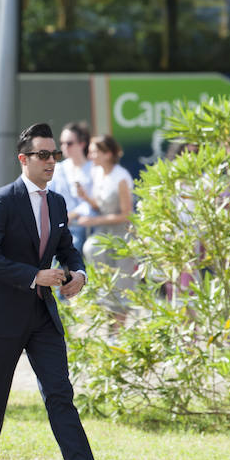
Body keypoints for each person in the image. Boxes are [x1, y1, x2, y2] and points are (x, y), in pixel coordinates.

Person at [0, 123, 129, 460]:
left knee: (60, 393)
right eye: (43, 155)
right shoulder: (1, 200)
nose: (52, 161)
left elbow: (67, 249)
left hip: (42, 315)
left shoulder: (56, 203)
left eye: (54, 154)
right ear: (23, 159)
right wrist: (34, 274)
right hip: (3, 314)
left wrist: (79, 274)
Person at [79, 135, 136, 333]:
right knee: (105, 283)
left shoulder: (121, 177)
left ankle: (117, 333)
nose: (90, 155)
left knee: (122, 284)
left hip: (122, 236)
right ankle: (112, 332)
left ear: (108, 154)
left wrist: (94, 221)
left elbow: (127, 214)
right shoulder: (97, 173)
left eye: (95, 151)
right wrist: (85, 198)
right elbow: (100, 206)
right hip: (104, 234)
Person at [50, 121, 94, 254]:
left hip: (85, 226)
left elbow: (96, 202)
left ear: (82, 143)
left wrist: (73, 215)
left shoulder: (93, 170)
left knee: (72, 246)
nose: (64, 147)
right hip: (59, 226)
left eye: (69, 143)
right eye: (62, 143)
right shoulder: (58, 169)